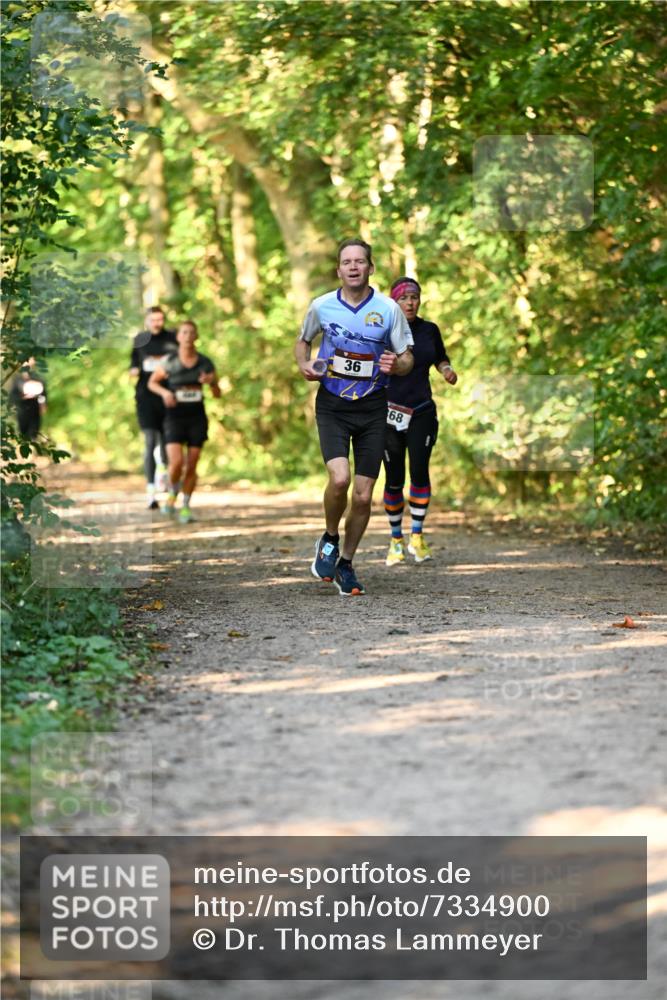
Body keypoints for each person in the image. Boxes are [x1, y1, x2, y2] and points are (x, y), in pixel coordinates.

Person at [295, 238, 414, 596]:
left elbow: (406, 357)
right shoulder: (322, 306)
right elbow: (303, 340)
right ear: (338, 269)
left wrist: (398, 364)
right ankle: (329, 538)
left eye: (359, 261)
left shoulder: (388, 309)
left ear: (370, 268)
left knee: (363, 497)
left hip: (374, 406)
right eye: (346, 261)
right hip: (332, 404)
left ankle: (346, 562)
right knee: (340, 478)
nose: (353, 267)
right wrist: (304, 364)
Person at [382, 277, 458, 566]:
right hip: (389, 412)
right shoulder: (384, 330)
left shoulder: (429, 330)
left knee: (419, 471)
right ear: (394, 302)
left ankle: (417, 536)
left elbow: (440, 357)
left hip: (422, 410)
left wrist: (447, 369)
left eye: (414, 297)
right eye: (404, 298)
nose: (410, 302)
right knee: (393, 477)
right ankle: (395, 540)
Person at [147, 320, 220, 524]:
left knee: (192, 464)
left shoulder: (205, 363)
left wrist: (211, 382)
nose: (187, 336)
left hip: (197, 417)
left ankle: (185, 506)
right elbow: (152, 382)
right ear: (178, 337)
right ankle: (172, 493)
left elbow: (217, 393)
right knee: (176, 462)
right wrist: (165, 393)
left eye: (191, 333)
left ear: (196, 337)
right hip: (174, 417)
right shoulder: (169, 361)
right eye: (184, 332)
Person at [129, 306, 177, 509]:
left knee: (167, 444)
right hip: (145, 398)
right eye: (153, 319)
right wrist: (133, 370)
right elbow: (133, 364)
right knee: (150, 441)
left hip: (168, 397)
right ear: (147, 321)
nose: (157, 322)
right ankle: (150, 492)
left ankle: (163, 475)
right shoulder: (140, 339)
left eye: (160, 319)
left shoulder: (173, 338)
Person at [9, 358, 47, 439]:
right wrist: (22, 397)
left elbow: (42, 394)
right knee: (23, 429)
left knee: (34, 429)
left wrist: (42, 404)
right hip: (22, 408)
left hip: (34, 407)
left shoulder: (37, 377)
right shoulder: (17, 378)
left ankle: (33, 441)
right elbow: (13, 395)